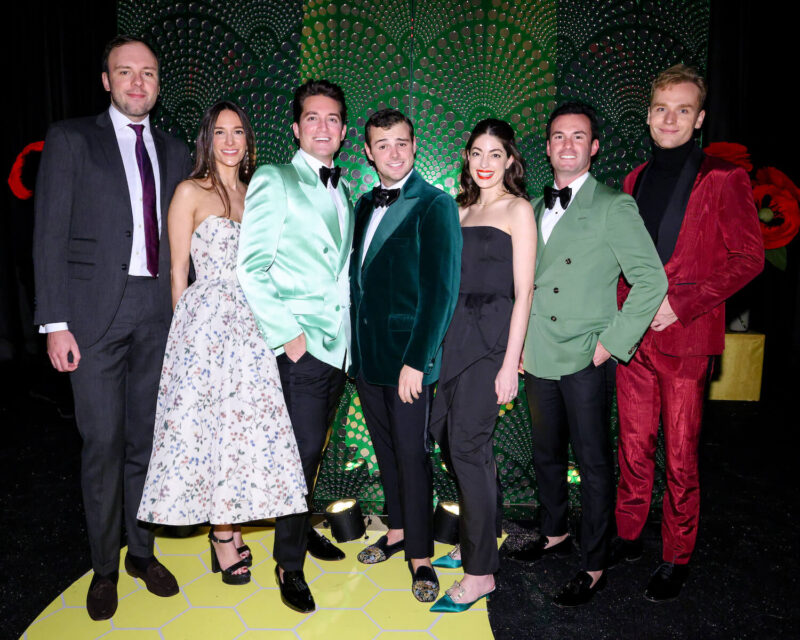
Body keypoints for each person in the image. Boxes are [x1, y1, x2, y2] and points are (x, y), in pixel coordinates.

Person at [33, 36, 192, 620]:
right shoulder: (72, 138)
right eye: (125, 72)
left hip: (158, 313)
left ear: (157, 83)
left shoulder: (176, 151)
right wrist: (55, 323)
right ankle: (103, 568)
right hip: (92, 317)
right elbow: (49, 234)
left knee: (146, 442)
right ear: (106, 80)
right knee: (102, 444)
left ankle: (141, 554)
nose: (136, 82)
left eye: (147, 73)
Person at [136, 101, 308, 586]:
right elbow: (177, 272)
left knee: (239, 431)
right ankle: (222, 535)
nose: (230, 141)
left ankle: (228, 524)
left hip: (252, 327)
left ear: (249, 141)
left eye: (238, 132)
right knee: (207, 429)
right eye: (220, 132)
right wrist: (184, 342)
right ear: (207, 140)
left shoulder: (257, 195)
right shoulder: (189, 191)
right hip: (205, 327)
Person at [612, 65, 763, 601]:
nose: (669, 119)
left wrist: (681, 304)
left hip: (687, 338)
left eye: (682, 110)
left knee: (679, 455)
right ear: (649, 116)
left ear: (699, 119)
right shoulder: (633, 180)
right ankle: (629, 535)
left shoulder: (724, 178)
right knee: (632, 445)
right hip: (633, 339)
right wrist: (621, 315)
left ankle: (676, 555)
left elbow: (749, 258)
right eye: (661, 109)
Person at [510, 101, 668, 607]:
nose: (568, 145)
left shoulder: (613, 205)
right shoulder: (533, 208)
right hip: (538, 352)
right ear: (548, 146)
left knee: (594, 462)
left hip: (585, 354)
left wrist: (610, 345)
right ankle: (555, 531)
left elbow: (651, 280)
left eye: (578, 136)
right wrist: (518, 345)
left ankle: (595, 564)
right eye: (559, 136)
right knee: (546, 453)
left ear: (594, 147)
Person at [237, 79, 353, 612]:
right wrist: (289, 336)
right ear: (295, 127)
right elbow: (251, 266)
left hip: (339, 348)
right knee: (298, 455)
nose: (323, 127)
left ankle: (301, 530)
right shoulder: (275, 178)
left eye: (332, 119)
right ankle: (288, 564)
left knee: (314, 452)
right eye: (312, 118)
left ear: (344, 130)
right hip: (300, 346)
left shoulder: (343, 190)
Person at [349, 108, 461, 602]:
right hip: (367, 358)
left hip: (407, 361)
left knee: (413, 456)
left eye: (401, 143)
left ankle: (420, 554)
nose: (393, 153)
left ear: (414, 146)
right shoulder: (362, 205)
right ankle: (396, 531)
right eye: (382, 144)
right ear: (368, 152)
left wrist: (418, 360)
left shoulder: (434, 204)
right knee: (386, 450)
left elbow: (441, 292)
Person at [427, 119, 536, 613]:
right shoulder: (459, 210)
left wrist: (511, 362)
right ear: (467, 158)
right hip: (453, 341)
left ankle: (480, 572)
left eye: (495, 154)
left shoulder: (518, 210)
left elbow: (524, 292)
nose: (485, 163)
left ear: (510, 159)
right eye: (476, 153)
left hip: (491, 343)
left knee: (468, 447)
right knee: (453, 441)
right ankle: (483, 535)